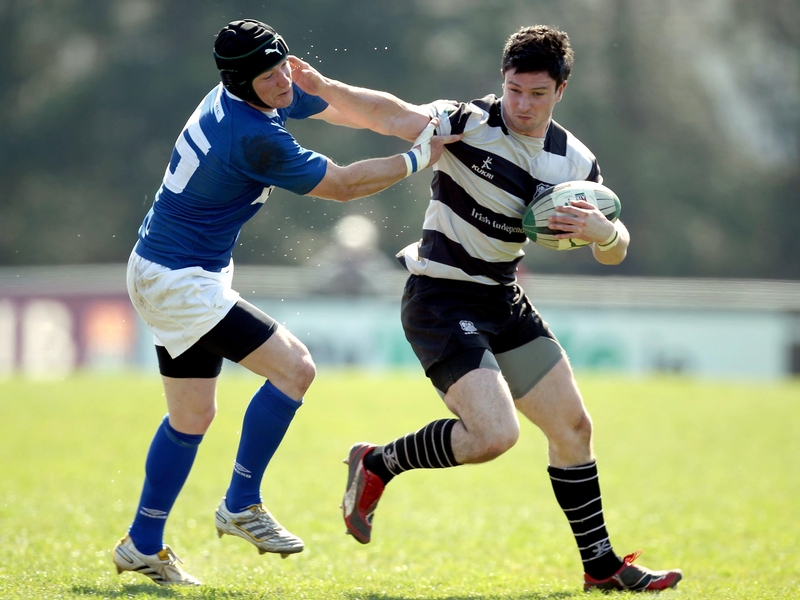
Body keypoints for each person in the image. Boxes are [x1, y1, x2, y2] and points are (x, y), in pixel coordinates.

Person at [338, 25, 684, 593]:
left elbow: (616, 250)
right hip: (441, 295)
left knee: (573, 429)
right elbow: (387, 113)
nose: (522, 105)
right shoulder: (468, 121)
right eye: (514, 90)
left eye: (537, 94)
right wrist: (319, 89)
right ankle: (379, 463)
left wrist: (604, 232)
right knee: (494, 435)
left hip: (502, 298)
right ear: (503, 81)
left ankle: (601, 568)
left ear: (560, 91)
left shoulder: (575, 161)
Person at [114, 18, 459, 586]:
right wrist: (419, 158)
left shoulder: (249, 91)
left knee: (192, 416)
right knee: (295, 368)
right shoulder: (250, 134)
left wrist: (421, 121)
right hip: (179, 281)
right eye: (270, 76)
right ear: (240, 82)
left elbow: (349, 111)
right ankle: (241, 503)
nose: (283, 82)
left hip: (166, 269)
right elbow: (344, 185)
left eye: (283, 67)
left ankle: (142, 544)